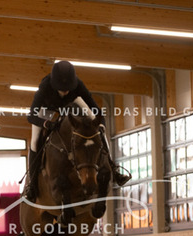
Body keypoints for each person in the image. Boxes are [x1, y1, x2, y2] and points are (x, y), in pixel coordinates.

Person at [24, 60, 131, 202]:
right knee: (35, 141)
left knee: (99, 131)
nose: (65, 91)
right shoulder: (45, 87)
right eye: (62, 89)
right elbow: (31, 116)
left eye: (68, 88)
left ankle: (114, 169)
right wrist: (46, 124)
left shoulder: (78, 85)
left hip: (71, 104)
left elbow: (96, 110)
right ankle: (32, 184)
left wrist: (100, 125)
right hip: (47, 109)